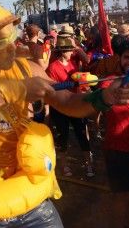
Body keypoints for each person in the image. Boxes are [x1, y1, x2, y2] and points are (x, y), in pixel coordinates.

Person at [0, 0, 129, 226]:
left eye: (12, 37)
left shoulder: (26, 68)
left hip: (21, 185)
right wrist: (17, 89)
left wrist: (103, 98)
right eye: (1, 43)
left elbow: (66, 101)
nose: (12, 46)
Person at [100, 41, 129, 228]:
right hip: (116, 149)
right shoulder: (111, 81)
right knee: (121, 199)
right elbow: (108, 95)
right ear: (119, 58)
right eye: (126, 57)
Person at [46, 36, 94, 177]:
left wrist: (84, 83)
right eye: (70, 50)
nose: (72, 52)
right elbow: (50, 89)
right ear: (63, 51)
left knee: (81, 134)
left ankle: (88, 164)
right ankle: (65, 164)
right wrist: (64, 86)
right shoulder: (52, 67)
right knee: (63, 137)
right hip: (60, 107)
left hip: (75, 105)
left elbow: (82, 76)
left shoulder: (74, 64)